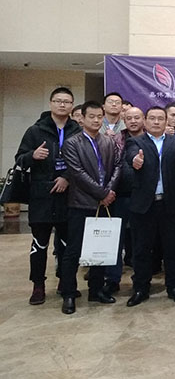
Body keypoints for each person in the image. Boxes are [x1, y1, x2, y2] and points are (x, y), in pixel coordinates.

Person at [15, 87, 82, 305]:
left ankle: (65, 281)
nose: (62, 105)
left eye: (67, 102)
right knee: (39, 244)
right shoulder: (35, 130)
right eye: (58, 101)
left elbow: (83, 161)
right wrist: (32, 155)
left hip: (69, 196)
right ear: (51, 103)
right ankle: (38, 285)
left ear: (72, 105)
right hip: (41, 196)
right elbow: (19, 159)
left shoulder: (77, 131)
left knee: (67, 244)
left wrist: (67, 178)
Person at [125, 106, 175, 307]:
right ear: (145, 121)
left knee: (173, 248)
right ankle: (141, 288)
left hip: (170, 204)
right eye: (152, 118)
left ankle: (174, 287)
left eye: (160, 119)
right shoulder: (135, 142)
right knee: (141, 249)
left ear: (166, 122)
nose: (156, 122)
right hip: (144, 205)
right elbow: (130, 156)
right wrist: (135, 160)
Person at [59, 101, 122, 314]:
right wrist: (102, 194)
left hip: (105, 203)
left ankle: (96, 290)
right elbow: (77, 173)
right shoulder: (72, 143)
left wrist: (109, 191)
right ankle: (69, 293)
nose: (96, 120)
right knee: (73, 250)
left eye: (99, 117)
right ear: (82, 118)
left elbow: (117, 167)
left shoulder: (108, 141)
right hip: (81, 203)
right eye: (91, 116)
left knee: (100, 249)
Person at [104, 106, 144, 293]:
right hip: (118, 197)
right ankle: (112, 279)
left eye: (137, 117)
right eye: (129, 118)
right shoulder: (114, 140)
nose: (133, 121)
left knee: (140, 241)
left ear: (143, 119)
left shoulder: (150, 140)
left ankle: (140, 281)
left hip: (143, 197)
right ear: (124, 120)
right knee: (115, 240)